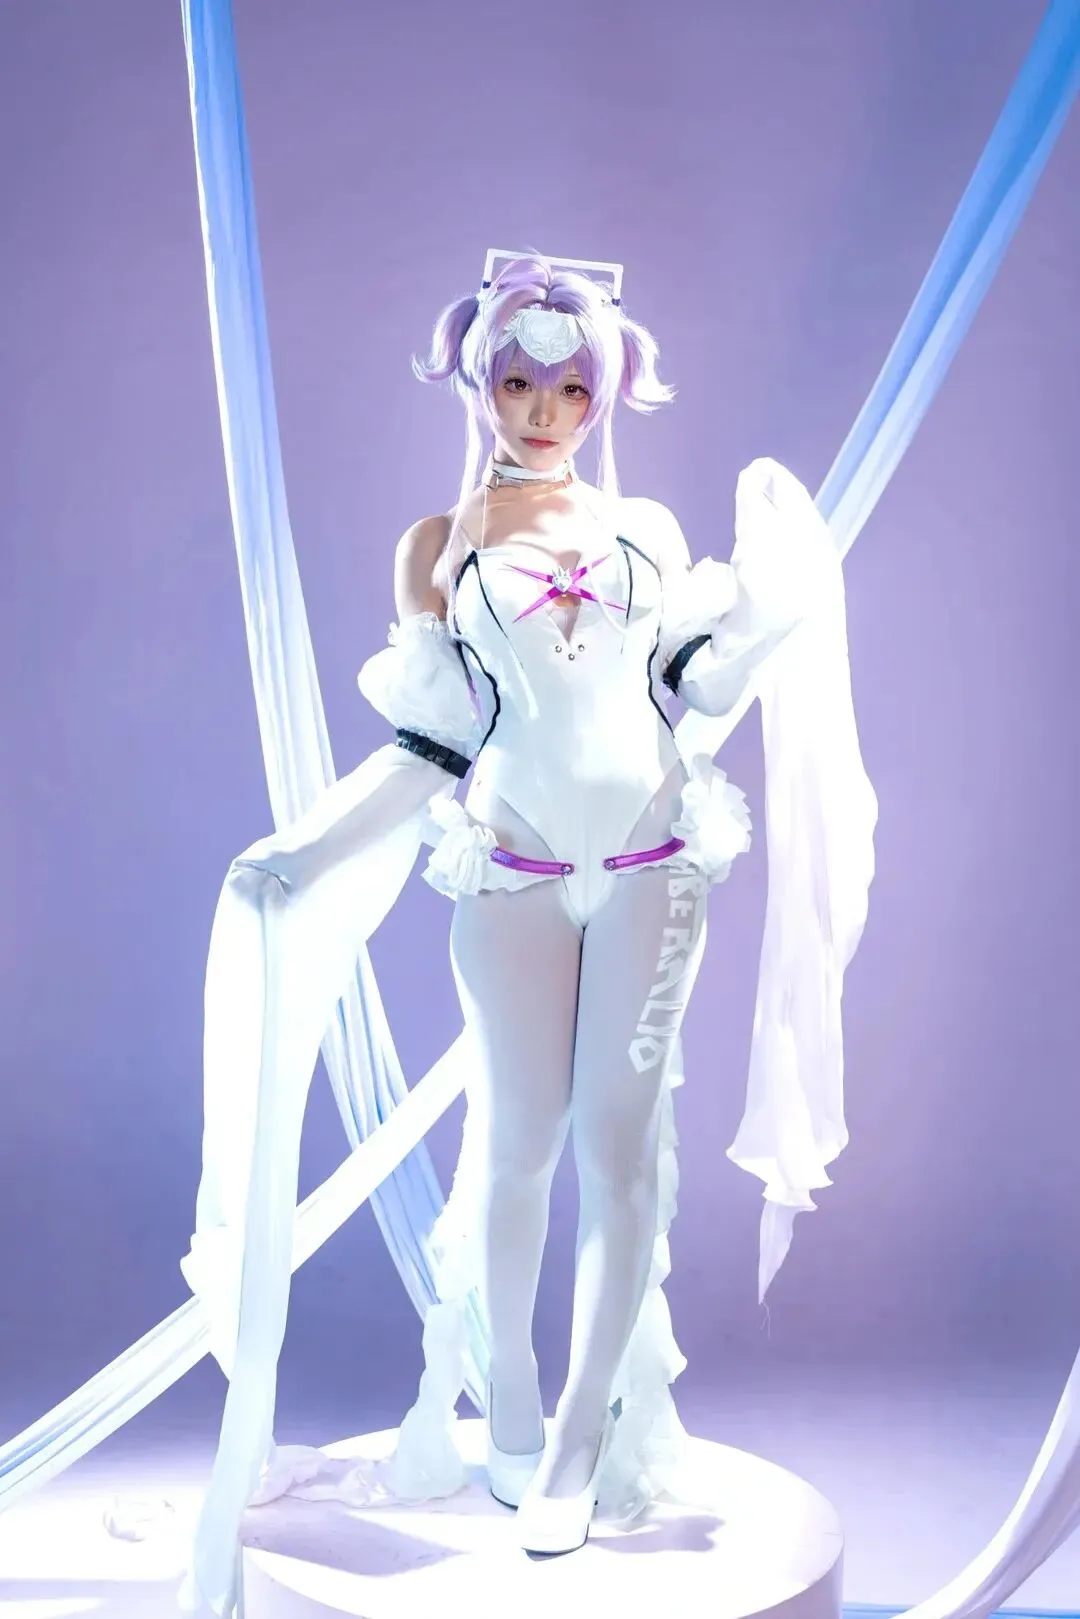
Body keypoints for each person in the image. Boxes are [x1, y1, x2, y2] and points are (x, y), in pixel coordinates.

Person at [181, 251, 865, 1610]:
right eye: (517, 382)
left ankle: (575, 1447)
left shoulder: (646, 531)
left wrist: (774, 604)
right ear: (478, 383)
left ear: (603, 394)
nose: (544, 411)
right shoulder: (435, 550)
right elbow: (433, 741)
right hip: (509, 868)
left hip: (658, 864)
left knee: (624, 1157)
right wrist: (302, 851)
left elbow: (693, 684)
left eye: (570, 388)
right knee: (515, 1150)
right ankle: (509, 1397)